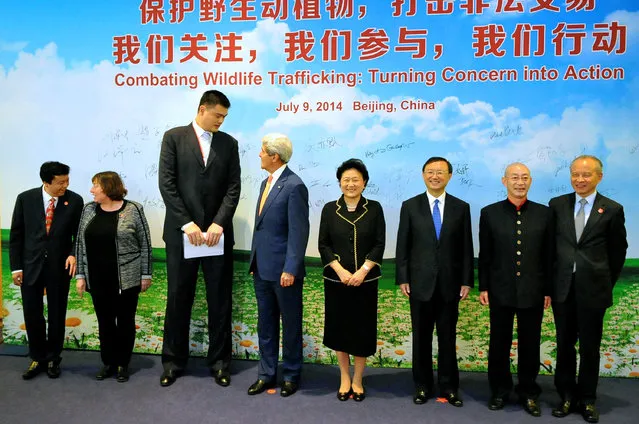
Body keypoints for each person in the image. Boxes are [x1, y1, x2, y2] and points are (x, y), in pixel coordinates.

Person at [158, 90, 241, 387]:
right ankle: (172, 362)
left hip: (217, 237)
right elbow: (166, 184)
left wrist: (219, 223)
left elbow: (234, 187)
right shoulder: (174, 137)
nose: (221, 121)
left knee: (220, 301)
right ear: (202, 109)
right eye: (217, 115)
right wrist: (187, 223)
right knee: (179, 298)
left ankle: (220, 363)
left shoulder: (229, 144)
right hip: (183, 236)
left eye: (224, 117)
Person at [549, 155, 627, 423]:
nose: (580, 180)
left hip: (593, 292)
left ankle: (588, 400)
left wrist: (604, 282)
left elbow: (618, 253)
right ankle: (567, 396)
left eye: (586, 175)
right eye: (575, 175)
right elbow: (551, 248)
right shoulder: (557, 205)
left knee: (590, 348)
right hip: (563, 290)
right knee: (564, 346)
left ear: (599, 177)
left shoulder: (613, 209)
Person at [395, 156, 473, 407]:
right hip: (419, 284)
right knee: (421, 337)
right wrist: (403, 277)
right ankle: (422, 386)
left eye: (441, 172)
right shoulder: (410, 206)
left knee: (448, 338)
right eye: (430, 172)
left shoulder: (461, 207)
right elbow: (403, 245)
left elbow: (466, 247)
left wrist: (466, 280)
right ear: (423, 175)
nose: (435, 176)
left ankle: (449, 387)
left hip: (451, 285)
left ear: (450, 176)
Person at [478, 163, 553, 417]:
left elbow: (549, 256)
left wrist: (548, 290)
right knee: (499, 343)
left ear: (530, 181)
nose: (519, 182)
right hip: (500, 290)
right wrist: (484, 286)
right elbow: (485, 255)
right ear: (504, 181)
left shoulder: (545, 214)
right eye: (514, 178)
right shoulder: (489, 213)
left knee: (530, 344)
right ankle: (499, 390)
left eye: (524, 178)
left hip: (534, 290)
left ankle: (529, 392)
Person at [74, 172, 153, 382]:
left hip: (126, 279)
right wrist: (80, 275)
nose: (91, 190)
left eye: (95, 186)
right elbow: (80, 245)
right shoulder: (89, 210)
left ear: (108, 188)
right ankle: (108, 362)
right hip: (97, 279)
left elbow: (145, 244)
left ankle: (122, 364)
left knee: (125, 321)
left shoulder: (133, 209)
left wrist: (146, 274)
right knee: (105, 322)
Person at [247, 133, 309, 398]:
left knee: (291, 325)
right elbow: (263, 229)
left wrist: (290, 269)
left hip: (284, 272)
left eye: (262, 151)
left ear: (274, 156)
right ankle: (267, 374)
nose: (259, 155)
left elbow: (299, 231)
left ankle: (291, 375)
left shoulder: (294, 185)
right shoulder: (265, 183)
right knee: (266, 325)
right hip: (262, 269)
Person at [318, 159, 386, 402]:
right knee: (339, 328)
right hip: (337, 281)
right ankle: (344, 377)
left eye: (355, 179)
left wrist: (362, 271)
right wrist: (340, 271)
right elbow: (323, 244)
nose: (350, 184)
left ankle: (358, 379)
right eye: (346, 179)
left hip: (365, 282)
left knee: (362, 330)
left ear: (364, 182)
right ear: (339, 182)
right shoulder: (329, 209)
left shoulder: (375, 208)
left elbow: (379, 243)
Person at [9, 161, 83, 379]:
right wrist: (16, 268)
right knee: (32, 314)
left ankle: (53, 358)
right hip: (30, 267)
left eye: (67, 181)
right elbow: (16, 236)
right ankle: (37, 357)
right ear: (46, 181)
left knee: (57, 314)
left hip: (59, 267)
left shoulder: (74, 200)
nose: (64, 186)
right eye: (60, 182)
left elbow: (78, 234)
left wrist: (73, 253)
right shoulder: (25, 199)